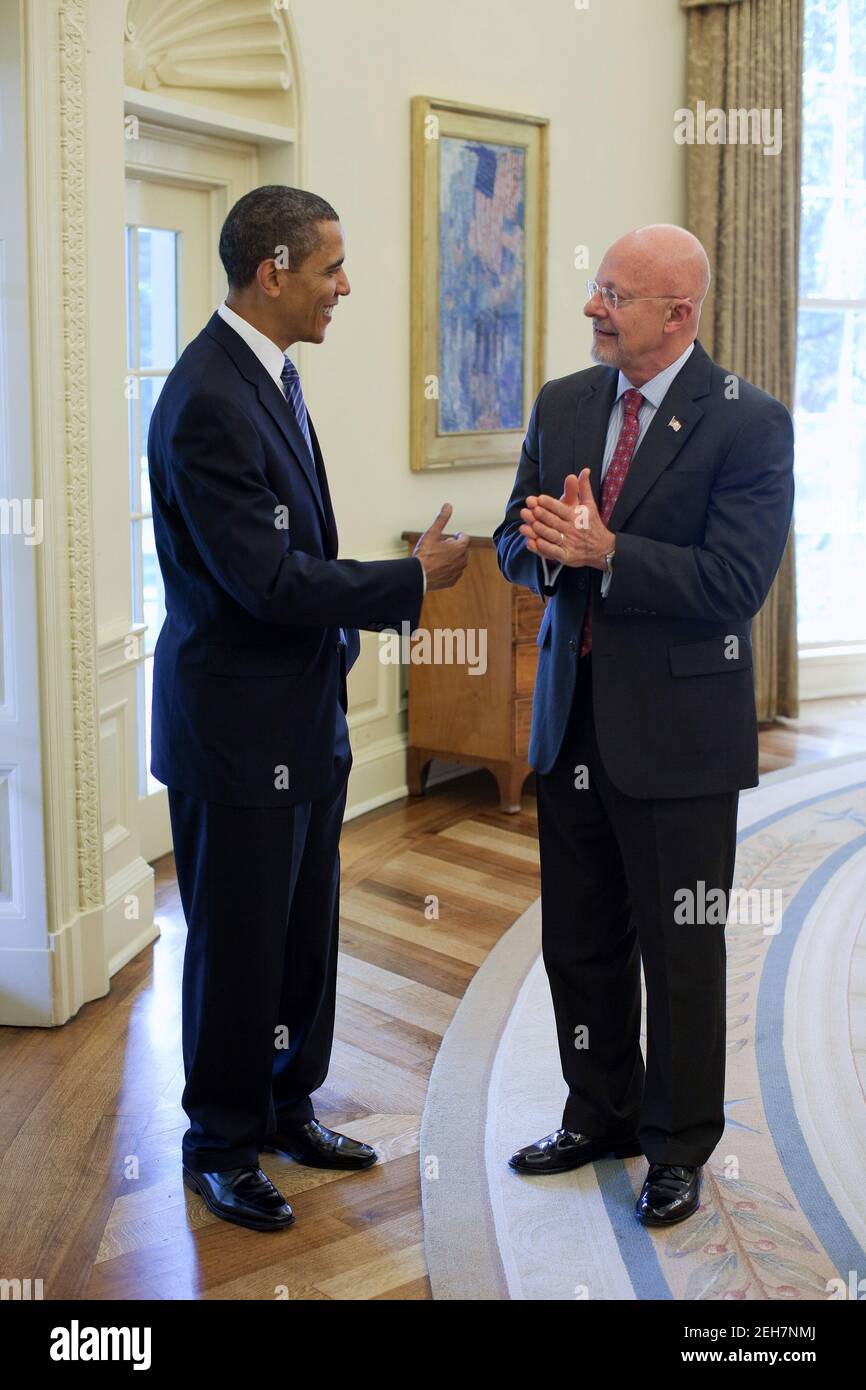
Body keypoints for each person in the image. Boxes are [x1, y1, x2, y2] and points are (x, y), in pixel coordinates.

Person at [148, 185, 469, 1232]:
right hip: (235, 731)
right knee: (237, 945)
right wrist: (407, 581)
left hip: (298, 719)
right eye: (330, 267)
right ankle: (221, 1143)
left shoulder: (268, 377)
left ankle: (289, 1105)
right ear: (274, 271)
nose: (344, 286)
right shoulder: (205, 397)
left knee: (298, 935)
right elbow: (265, 582)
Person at [494, 224, 794, 1226]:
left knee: (679, 950)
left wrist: (606, 548)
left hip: (677, 738)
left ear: (677, 315)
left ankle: (674, 1144)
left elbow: (732, 585)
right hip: (568, 724)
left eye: (613, 295)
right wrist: (543, 551)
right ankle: (599, 1111)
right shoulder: (563, 403)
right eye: (596, 291)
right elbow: (512, 538)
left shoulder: (749, 423)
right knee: (578, 945)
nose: (592, 308)